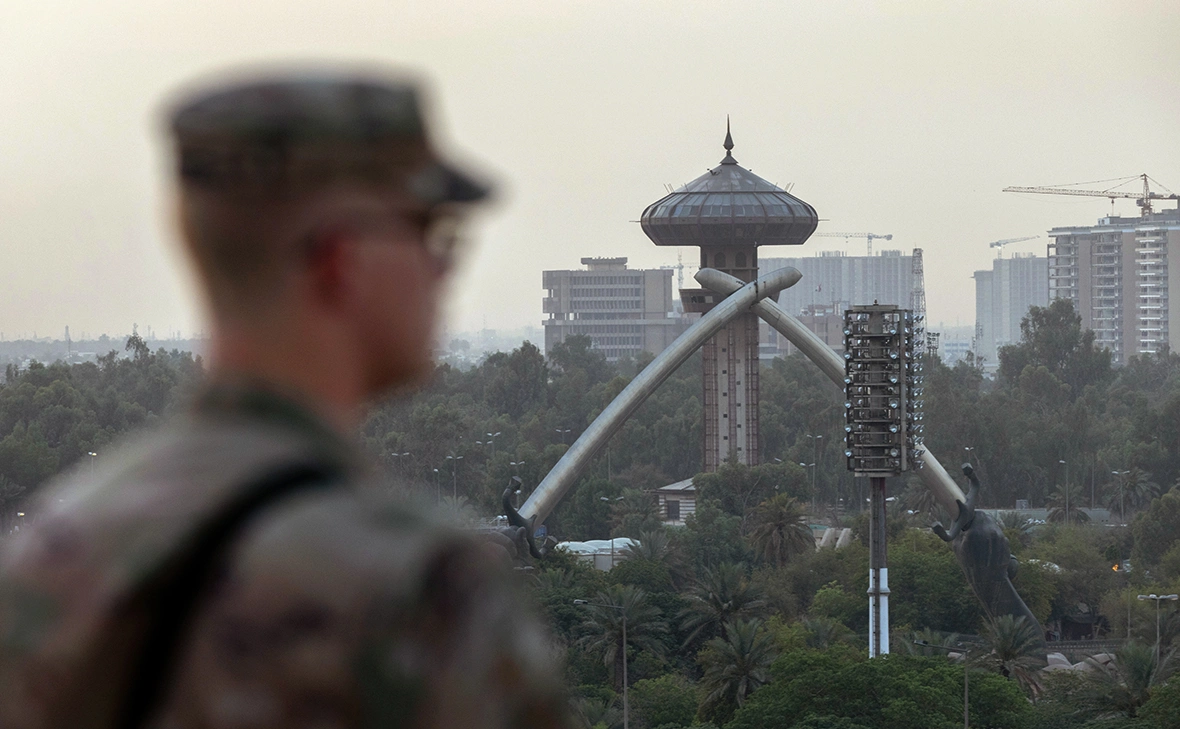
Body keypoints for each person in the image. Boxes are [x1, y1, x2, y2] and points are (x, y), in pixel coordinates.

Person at [0, 70, 570, 729]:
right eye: (429, 233)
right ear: (339, 259)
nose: (443, 270)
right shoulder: (414, 588)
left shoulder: (46, 559)